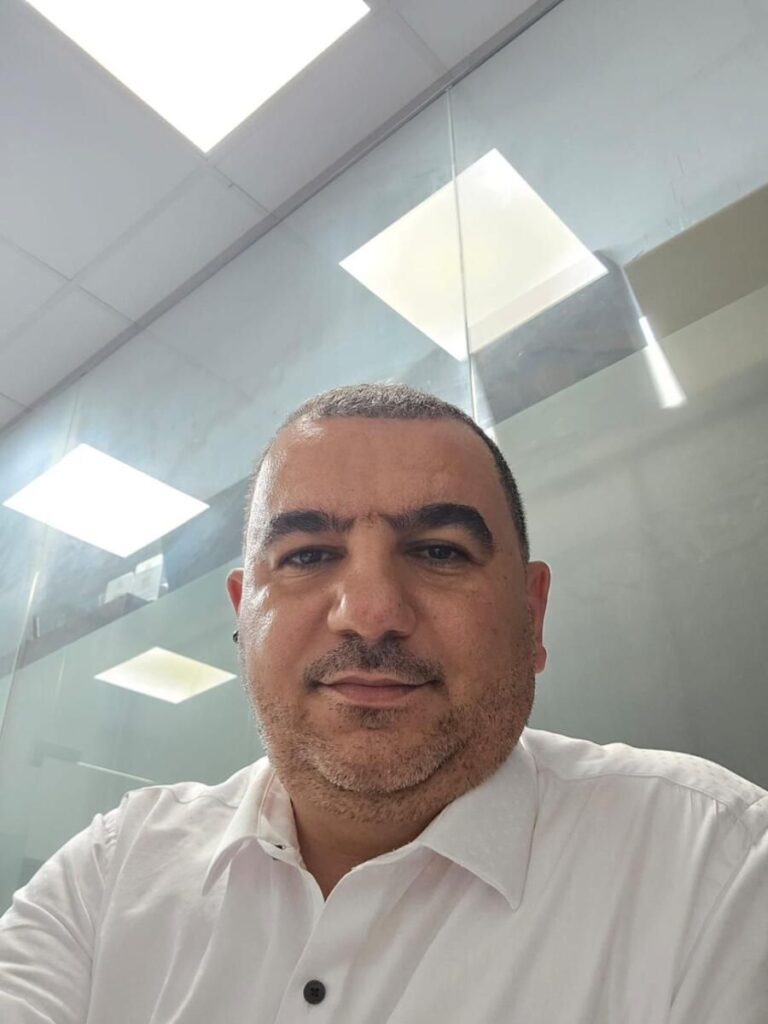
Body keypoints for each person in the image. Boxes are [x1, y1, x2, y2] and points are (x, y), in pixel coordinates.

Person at [1, 380, 766, 1023]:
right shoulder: (112, 872)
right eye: (307, 555)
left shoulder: (717, 868)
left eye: (438, 551)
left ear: (531, 615)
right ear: (243, 617)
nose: (369, 613)